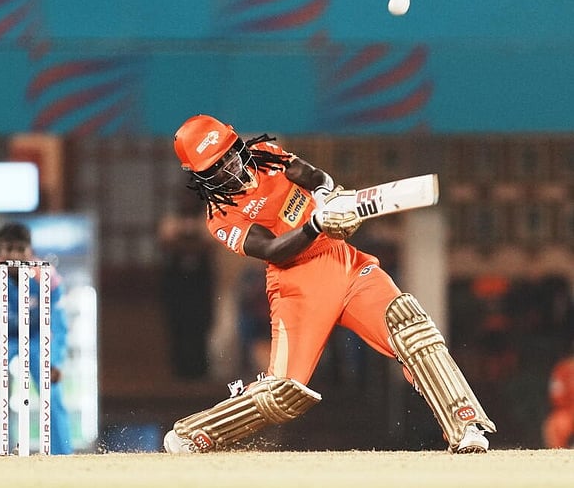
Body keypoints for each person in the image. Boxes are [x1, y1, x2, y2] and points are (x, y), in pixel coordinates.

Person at [161, 114, 495, 454]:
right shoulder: (220, 218)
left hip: (343, 261)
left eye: (230, 154)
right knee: (283, 393)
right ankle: (194, 434)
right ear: (200, 178)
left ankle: (465, 425)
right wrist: (316, 223)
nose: (230, 168)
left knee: (410, 328)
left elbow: (313, 175)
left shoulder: (264, 154)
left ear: (236, 144)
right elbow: (273, 250)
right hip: (297, 285)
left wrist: (325, 195)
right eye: (216, 168)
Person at [0, 222, 72, 455]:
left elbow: (59, 326)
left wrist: (55, 361)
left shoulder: (47, 278)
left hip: (35, 339)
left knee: (52, 394)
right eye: (8, 249)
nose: (14, 255)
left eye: (20, 249)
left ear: (30, 251)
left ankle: (63, 456)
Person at [157, 189, 215, 379]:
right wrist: (191, 246)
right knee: (178, 325)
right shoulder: (171, 220)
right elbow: (166, 244)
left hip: (199, 282)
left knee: (199, 325)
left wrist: (182, 245)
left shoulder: (207, 219)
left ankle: (200, 371)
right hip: (177, 282)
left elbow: (209, 245)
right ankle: (179, 371)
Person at [543, 343, 574, 448]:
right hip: (567, 411)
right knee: (555, 425)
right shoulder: (562, 369)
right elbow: (555, 396)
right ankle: (559, 454)